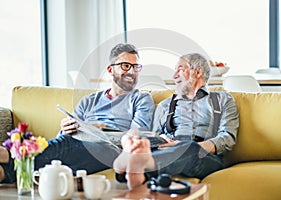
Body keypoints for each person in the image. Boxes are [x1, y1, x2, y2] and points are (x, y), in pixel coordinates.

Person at [0, 43, 155, 183]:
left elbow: (136, 136)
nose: (132, 72)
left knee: (68, 144)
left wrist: (96, 131)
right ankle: (5, 173)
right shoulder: (89, 101)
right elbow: (62, 138)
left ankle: (8, 154)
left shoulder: (141, 99)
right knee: (66, 143)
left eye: (136, 67)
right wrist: (65, 128)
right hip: (78, 145)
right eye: (126, 66)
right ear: (110, 69)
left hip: (111, 149)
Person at [113, 53, 239, 189]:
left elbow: (228, 137)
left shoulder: (223, 100)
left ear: (197, 72)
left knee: (189, 147)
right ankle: (132, 162)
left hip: (204, 155)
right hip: (165, 150)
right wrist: (161, 138)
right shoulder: (165, 105)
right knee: (143, 139)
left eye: (180, 69)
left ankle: (137, 166)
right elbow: (154, 134)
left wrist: (186, 145)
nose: (174, 76)